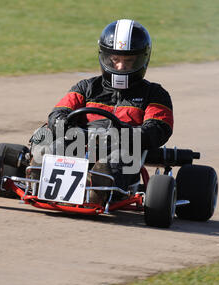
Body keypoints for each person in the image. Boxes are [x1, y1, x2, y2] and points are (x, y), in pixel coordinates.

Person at [31, 19, 174, 203]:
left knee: (114, 160)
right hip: (80, 144)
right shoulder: (87, 87)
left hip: (123, 148)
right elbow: (59, 112)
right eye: (115, 60)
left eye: (129, 61)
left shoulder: (154, 94)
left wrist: (123, 134)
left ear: (142, 59)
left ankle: (97, 189)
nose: (121, 67)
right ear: (105, 56)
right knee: (50, 142)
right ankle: (38, 177)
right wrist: (63, 123)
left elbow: (158, 129)